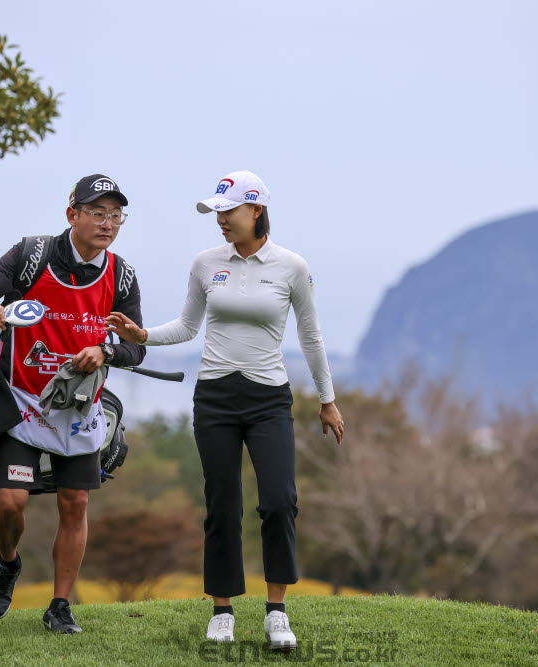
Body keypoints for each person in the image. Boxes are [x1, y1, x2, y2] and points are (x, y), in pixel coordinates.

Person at [106, 170, 344, 650]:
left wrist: (327, 399)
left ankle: (276, 611)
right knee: (222, 506)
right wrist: (142, 335)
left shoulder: (292, 266)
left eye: (228, 211)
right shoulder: (205, 262)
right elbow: (188, 326)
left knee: (279, 502)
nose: (220, 221)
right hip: (214, 396)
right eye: (216, 212)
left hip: (269, 398)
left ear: (255, 210)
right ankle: (222, 609)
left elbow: (311, 336)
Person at [0, 174, 145, 634]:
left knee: (75, 502)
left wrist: (107, 351)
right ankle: (7, 563)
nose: (107, 223)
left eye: (116, 215)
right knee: (10, 502)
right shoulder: (31, 255)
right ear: (72, 214)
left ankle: (60, 606)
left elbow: (137, 346)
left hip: (80, 409)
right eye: (97, 212)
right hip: (21, 403)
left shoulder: (121, 274)